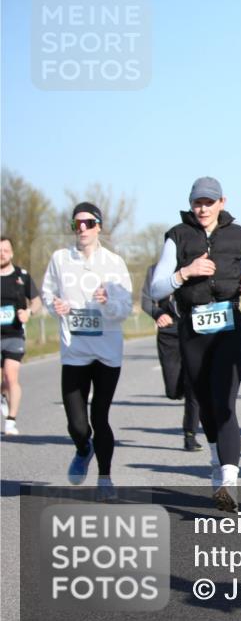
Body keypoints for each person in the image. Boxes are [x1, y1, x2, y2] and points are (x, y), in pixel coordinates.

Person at [149, 177, 241, 512]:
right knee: (205, 401)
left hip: (229, 322)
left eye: (209, 202)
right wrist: (185, 272)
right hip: (193, 327)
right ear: (190, 203)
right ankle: (216, 460)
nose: (203, 208)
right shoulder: (177, 236)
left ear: (222, 203)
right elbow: (157, 288)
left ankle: (229, 483)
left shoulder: (237, 233)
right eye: (198, 202)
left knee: (225, 401)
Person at [41, 203, 132, 499]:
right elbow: (47, 292)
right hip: (75, 350)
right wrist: (56, 306)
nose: (82, 228)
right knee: (77, 425)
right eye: (77, 224)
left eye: (88, 223)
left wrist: (108, 303)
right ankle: (83, 448)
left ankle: (105, 479)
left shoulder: (114, 263)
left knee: (100, 416)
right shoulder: (60, 259)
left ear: (99, 227)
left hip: (107, 352)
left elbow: (124, 309)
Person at [141, 263, 202, 451]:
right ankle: (179, 389)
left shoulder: (197, 265)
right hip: (169, 331)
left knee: (194, 386)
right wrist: (157, 313)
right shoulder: (155, 270)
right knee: (173, 390)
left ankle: (190, 434)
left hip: (195, 329)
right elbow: (145, 301)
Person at [0, 237, 41, 436]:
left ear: (12, 252)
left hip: (14, 334)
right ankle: (2, 395)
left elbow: (36, 301)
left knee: (10, 375)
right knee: (2, 381)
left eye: (6, 250)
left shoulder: (21, 276)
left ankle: (11, 420)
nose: (2, 254)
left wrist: (29, 313)